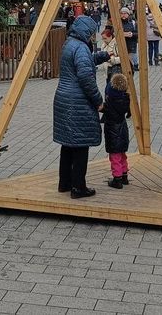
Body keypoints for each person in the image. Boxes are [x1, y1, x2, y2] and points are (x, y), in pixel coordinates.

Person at [53, 15, 108, 198]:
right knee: (80, 146)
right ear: (86, 31)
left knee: (68, 145)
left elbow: (83, 63)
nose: (93, 35)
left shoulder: (70, 43)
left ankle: (65, 183)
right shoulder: (81, 47)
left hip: (63, 99)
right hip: (77, 102)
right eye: (92, 32)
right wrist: (99, 101)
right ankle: (78, 187)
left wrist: (104, 56)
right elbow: (85, 77)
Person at [101, 73, 131, 189]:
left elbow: (102, 108)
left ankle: (117, 179)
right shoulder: (125, 100)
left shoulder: (109, 104)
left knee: (115, 157)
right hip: (123, 131)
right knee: (123, 155)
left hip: (113, 132)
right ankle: (124, 176)